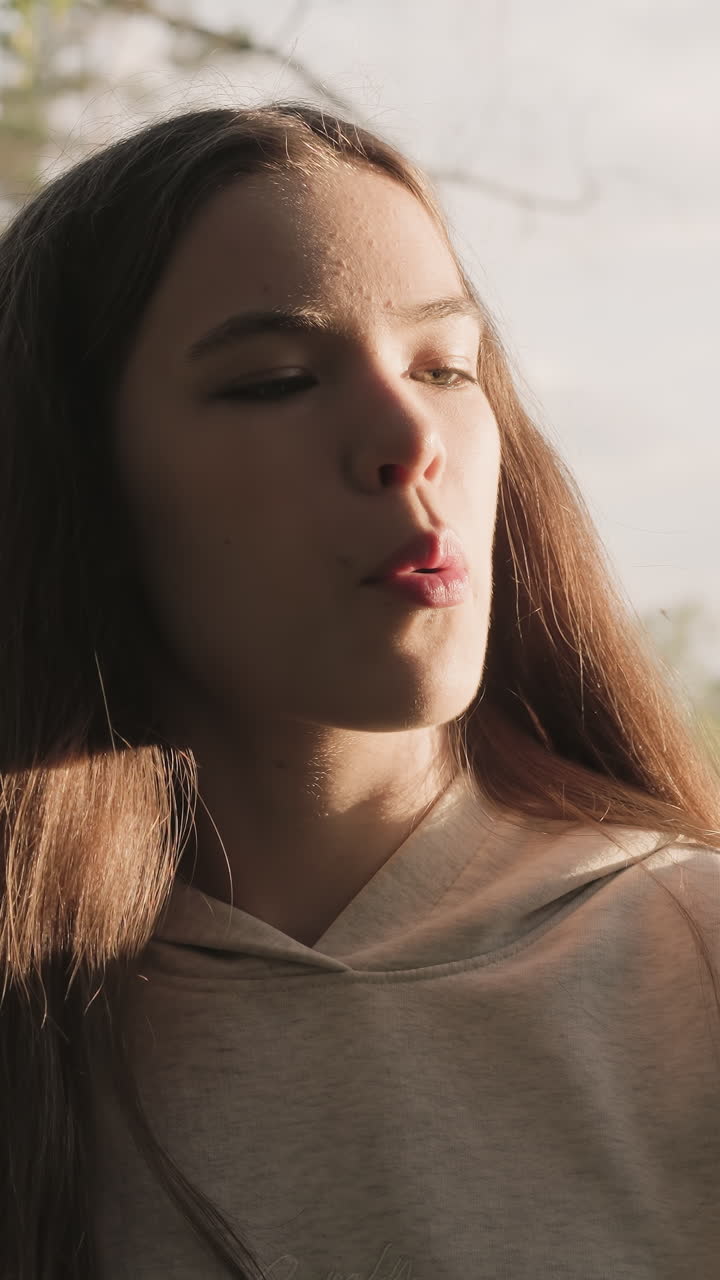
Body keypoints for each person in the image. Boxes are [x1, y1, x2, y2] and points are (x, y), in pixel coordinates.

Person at [0, 103, 718, 1280]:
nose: (408, 432)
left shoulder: (694, 963)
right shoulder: (40, 1030)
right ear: (85, 487)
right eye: (277, 379)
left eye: (447, 365)